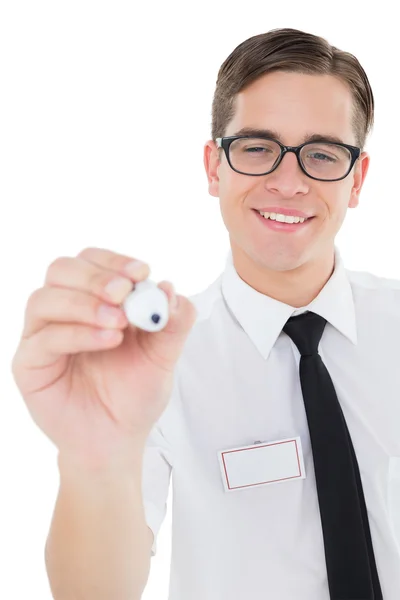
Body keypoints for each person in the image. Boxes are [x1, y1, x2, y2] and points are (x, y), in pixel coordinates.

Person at [11, 26, 400, 600]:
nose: (288, 182)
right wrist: (96, 458)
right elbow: (94, 590)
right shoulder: (152, 363)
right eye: (257, 147)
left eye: (321, 153)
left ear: (357, 178)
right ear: (214, 168)